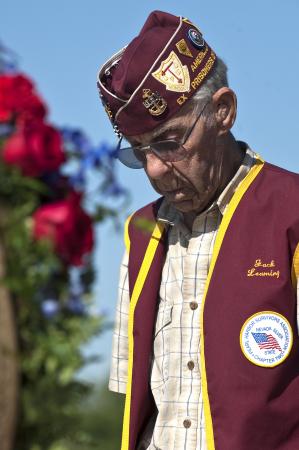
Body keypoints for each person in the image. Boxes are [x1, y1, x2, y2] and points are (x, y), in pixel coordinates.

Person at [97, 10, 299, 450]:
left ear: (223, 112)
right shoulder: (141, 232)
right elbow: (136, 397)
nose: (154, 170)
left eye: (169, 143)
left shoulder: (292, 212)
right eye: (138, 152)